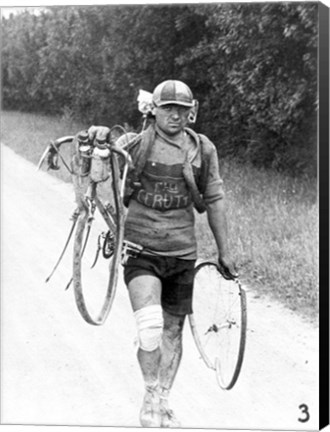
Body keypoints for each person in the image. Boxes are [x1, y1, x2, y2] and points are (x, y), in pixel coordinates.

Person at [88, 80, 237, 428]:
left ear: (192, 111)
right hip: (141, 249)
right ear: (153, 109)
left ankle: (162, 398)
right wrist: (96, 142)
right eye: (168, 107)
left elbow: (214, 199)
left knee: (172, 331)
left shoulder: (203, 149)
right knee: (151, 326)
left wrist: (225, 250)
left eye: (182, 110)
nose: (175, 115)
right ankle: (150, 391)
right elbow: (101, 161)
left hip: (183, 253)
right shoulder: (134, 144)